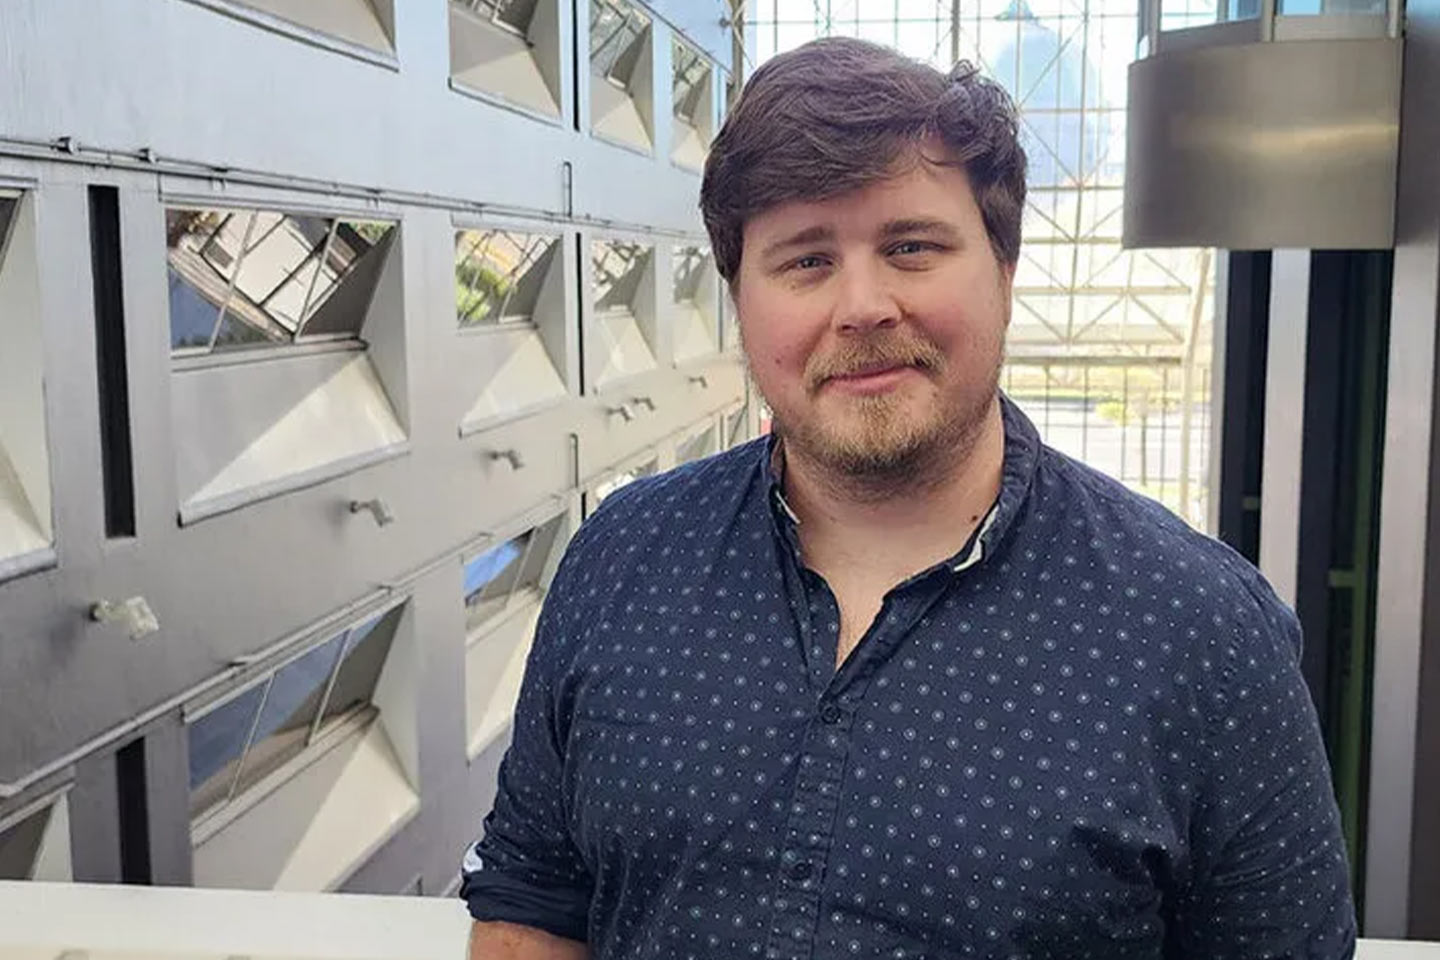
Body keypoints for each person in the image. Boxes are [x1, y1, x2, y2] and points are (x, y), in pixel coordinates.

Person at [460, 37, 1356, 960]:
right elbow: (535, 898)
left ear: (1005, 272)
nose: (863, 306)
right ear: (740, 301)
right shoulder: (621, 560)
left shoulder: (1203, 633)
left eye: (912, 247)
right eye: (806, 261)